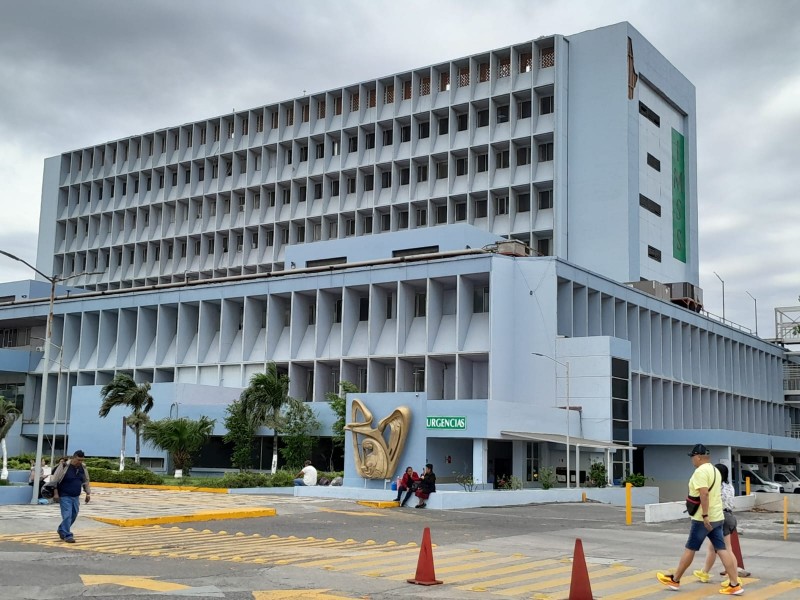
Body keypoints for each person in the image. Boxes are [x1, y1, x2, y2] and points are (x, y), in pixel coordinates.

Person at [656, 444, 743, 595]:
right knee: (722, 549)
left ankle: (675, 580)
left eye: (692, 457)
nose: (691, 460)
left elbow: (704, 494)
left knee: (690, 548)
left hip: (703, 519)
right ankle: (735, 584)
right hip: (718, 516)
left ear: (698, 456)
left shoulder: (701, 472)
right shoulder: (715, 470)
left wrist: (704, 516)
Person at [694, 463, 750, 583]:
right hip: (730, 516)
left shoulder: (716, 486)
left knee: (726, 549)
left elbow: (708, 498)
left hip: (720, 517)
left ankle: (734, 578)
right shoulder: (729, 486)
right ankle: (704, 572)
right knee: (712, 548)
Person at [50, 450, 91, 543]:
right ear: (73, 457)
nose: (80, 462)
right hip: (64, 495)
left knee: (74, 515)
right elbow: (55, 480)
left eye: (82, 460)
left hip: (76, 496)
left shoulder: (83, 467)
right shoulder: (64, 465)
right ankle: (67, 535)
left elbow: (85, 481)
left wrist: (88, 493)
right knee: (67, 515)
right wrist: (56, 493)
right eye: (78, 460)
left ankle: (61, 529)